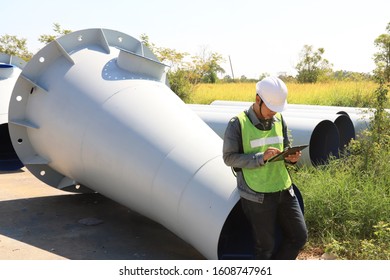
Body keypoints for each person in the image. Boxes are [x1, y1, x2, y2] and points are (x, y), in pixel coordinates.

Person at [222, 76, 308, 260]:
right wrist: (260, 157)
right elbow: (229, 158)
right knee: (265, 248)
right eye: (271, 108)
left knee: (299, 236)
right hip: (256, 195)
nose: (274, 114)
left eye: (277, 110)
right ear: (257, 99)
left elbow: (283, 149)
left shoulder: (279, 119)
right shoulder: (237, 123)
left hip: (283, 188)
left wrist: (291, 158)